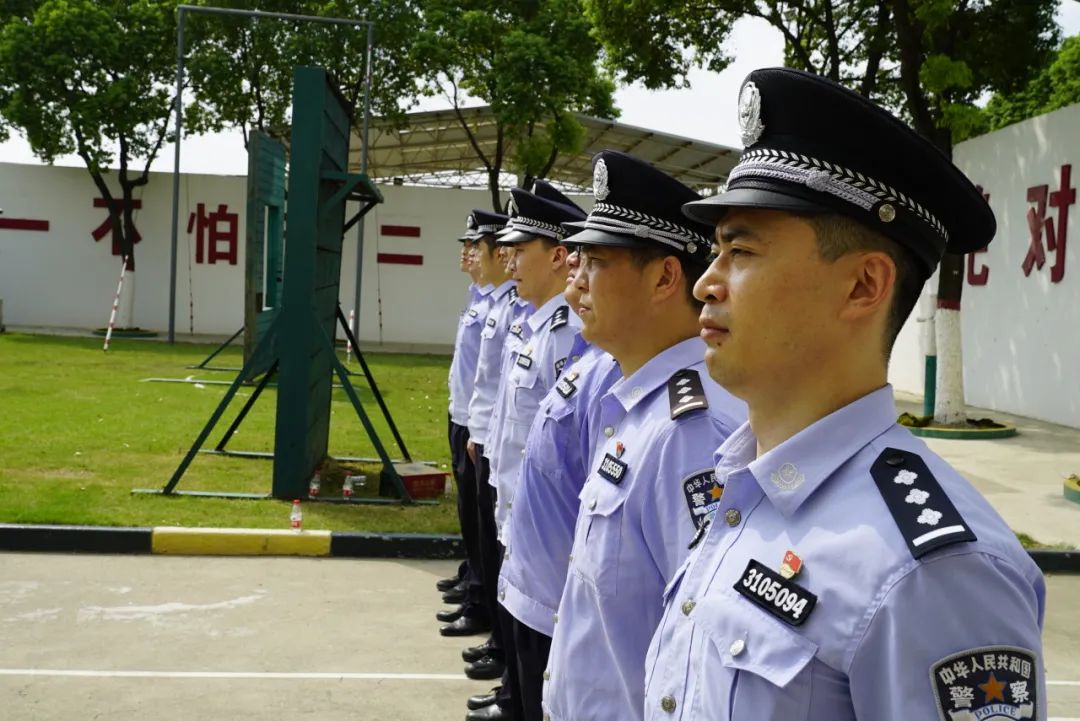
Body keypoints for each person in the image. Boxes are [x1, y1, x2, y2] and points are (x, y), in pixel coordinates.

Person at [642, 67, 1047, 721]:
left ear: (863, 286)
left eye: (741, 251)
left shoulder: (932, 571)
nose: (705, 284)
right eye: (716, 252)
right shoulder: (744, 485)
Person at [540, 150, 747, 721]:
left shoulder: (692, 431)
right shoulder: (638, 405)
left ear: (664, 277)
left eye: (597, 263)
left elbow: (698, 645)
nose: (574, 286)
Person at [496, 239, 622, 721]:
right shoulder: (591, 354)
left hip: (561, 607)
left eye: (594, 262)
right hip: (540, 589)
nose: (575, 280)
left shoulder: (618, 375)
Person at [439, 213, 496, 630]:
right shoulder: (478, 297)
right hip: (463, 414)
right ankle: (473, 576)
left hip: (479, 424)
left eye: (475, 246)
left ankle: (480, 595)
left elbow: (488, 374)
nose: (468, 252)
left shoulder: (502, 303)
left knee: (482, 518)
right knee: (468, 509)